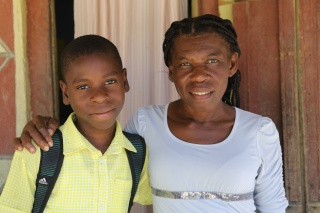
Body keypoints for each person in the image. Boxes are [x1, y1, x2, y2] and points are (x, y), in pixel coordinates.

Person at [12, 14, 288, 212]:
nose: (199, 75)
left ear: (232, 64)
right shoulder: (146, 124)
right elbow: (100, 139)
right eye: (184, 63)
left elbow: (273, 207)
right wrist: (45, 126)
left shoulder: (259, 132)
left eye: (212, 60)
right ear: (171, 72)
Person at [0, 35, 152, 212]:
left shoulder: (136, 152)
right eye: (83, 87)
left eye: (110, 81)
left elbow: (160, 195)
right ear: (65, 93)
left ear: (124, 81)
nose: (100, 96)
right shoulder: (38, 152)